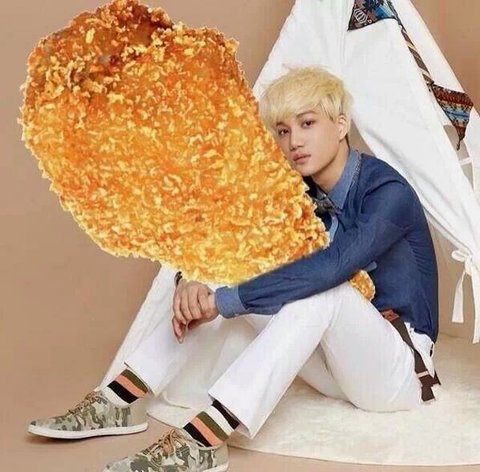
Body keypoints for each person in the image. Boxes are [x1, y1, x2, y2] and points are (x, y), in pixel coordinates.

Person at [27, 66, 440, 472]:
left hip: (398, 372)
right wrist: (194, 280)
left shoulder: (387, 192)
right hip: (334, 367)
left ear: (341, 124)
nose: (294, 141)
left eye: (307, 123)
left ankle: (206, 439)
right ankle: (121, 399)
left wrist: (224, 302)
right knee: (229, 272)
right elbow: (230, 241)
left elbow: (329, 268)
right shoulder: (296, 194)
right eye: (282, 131)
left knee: (325, 292)